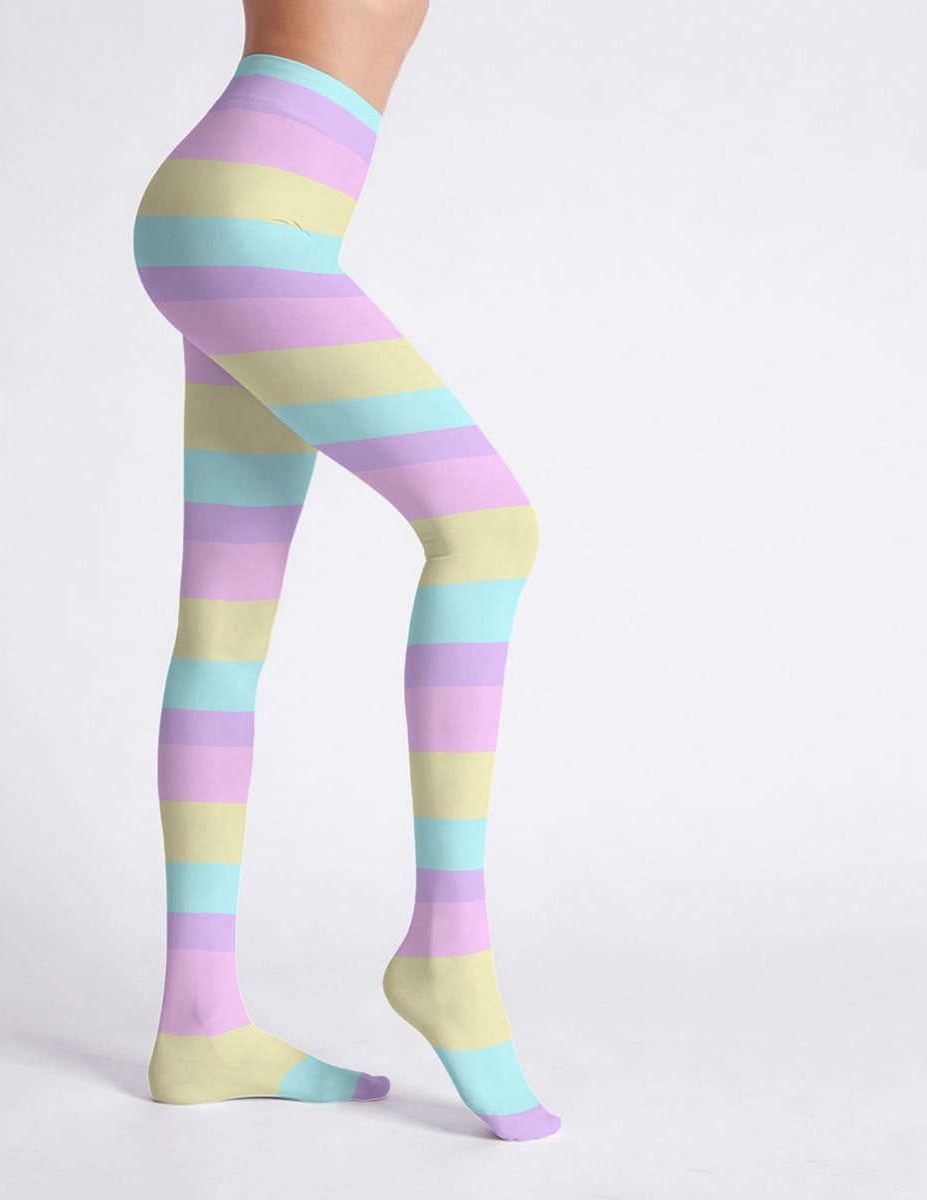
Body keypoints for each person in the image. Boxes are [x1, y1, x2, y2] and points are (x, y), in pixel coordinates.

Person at [132, 0, 562, 1142]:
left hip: (249, 220)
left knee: (222, 635)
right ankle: (449, 947)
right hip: (250, 224)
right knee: (489, 530)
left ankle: (199, 1021)